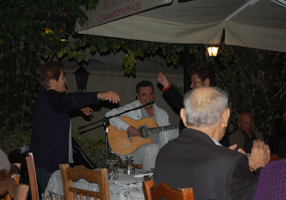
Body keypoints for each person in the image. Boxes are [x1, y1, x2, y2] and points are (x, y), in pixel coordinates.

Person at [154, 86, 270, 200]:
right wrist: (261, 168)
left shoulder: (164, 152)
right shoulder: (228, 162)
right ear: (225, 117)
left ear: (183, 116)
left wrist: (225, 158)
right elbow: (269, 195)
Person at [30, 61, 120, 192]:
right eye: (62, 77)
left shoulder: (46, 98)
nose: (65, 80)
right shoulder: (51, 97)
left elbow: (63, 104)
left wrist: (78, 107)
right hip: (49, 165)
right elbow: (68, 100)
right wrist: (99, 95)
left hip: (47, 163)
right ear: (51, 82)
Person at [105, 80, 179, 170]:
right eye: (144, 95)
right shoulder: (132, 109)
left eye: (151, 94)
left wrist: (184, 129)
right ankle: (149, 181)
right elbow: (109, 115)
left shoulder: (162, 113)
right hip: (132, 153)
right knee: (153, 148)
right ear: (137, 95)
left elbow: (168, 135)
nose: (148, 98)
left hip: (158, 154)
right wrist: (128, 128)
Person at [157, 63, 230, 147]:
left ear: (206, 82)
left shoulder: (217, 103)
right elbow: (180, 103)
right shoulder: (194, 102)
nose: (191, 86)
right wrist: (166, 85)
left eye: (195, 82)